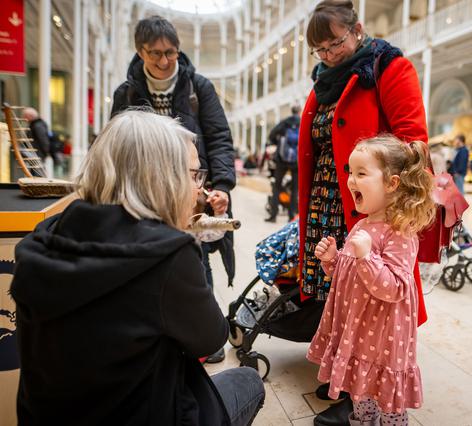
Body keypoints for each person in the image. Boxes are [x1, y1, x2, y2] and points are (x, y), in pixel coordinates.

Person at [10, 110, 265, 426]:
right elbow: (212, 338)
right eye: (194, 174)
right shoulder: (167, 254)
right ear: (160, 178)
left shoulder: (47, 235)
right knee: (247, 381)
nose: (200, 188)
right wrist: (187, 239)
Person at [298, 2, 431, 423]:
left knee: (372, 297)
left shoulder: (388, 67)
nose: (328, 54)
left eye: (334, 42)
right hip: (331, 194)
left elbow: (412, 142)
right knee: (341, 290)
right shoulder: (323, 82)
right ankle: (347, 372)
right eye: (319, 49)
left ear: (357, 29)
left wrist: (398, 201)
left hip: (370, 197)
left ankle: (363, 392)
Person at [111, 15, 236, 363]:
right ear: (140, 52)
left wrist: (222, 185)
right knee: (148, 263)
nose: (165, 61)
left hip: (193, 192)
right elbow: (116, 147)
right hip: (144, 198)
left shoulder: (200, 87)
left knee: (195, 261)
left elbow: (220, 138)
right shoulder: (127, 92)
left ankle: (205, 336)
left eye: (171, 53)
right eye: (155, 54)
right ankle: (160, 334)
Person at [309, 135, 434, 426]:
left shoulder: (400, 231)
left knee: (386, 399)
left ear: (392, 183)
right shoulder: (363, 226)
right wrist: (332, 261)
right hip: (358, 330)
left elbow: (396, 288)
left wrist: (367, 256)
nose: (351, 180)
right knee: (360, 392)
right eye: (350, 172)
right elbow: (351, 275)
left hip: (383, 338)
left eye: (361, 173)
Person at [266, 105, 301, 222]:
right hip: (296, 161)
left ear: (291, 111)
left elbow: (271, 135)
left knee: (276, 187)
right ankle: (291, 216)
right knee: (295, 189)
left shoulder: (285, 123)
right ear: (299, 111)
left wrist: (278, 144)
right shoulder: (302, 122)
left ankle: (273, 215)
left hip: (281, 159)